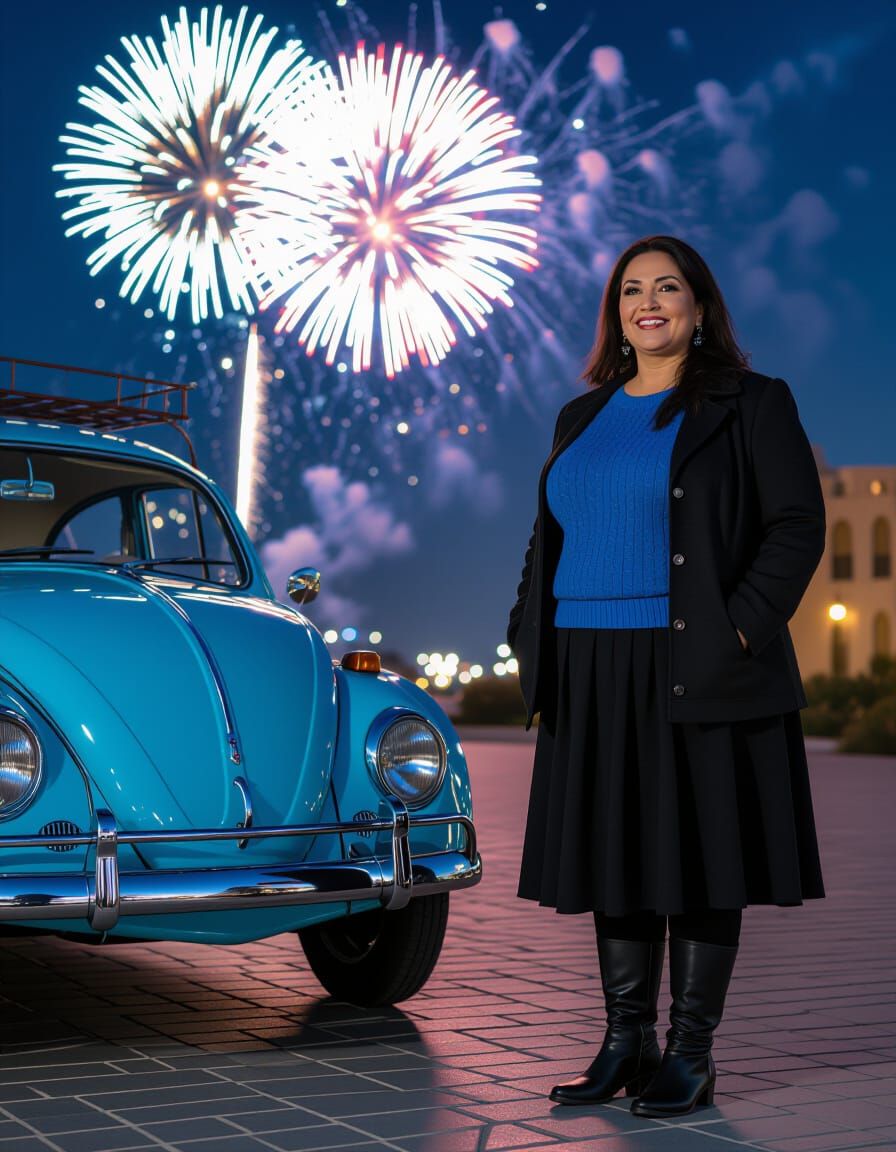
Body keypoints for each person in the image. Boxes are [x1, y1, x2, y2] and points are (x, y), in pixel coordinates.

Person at [506, 235, 825, 1119]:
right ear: (616, 312)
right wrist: (527, 627)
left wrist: (739, 629)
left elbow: (796, 526)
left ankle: (690, 1052)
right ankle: (625, 1041)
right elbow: (551, 533)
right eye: (631, 291)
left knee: (699, 857)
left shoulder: (751, 403)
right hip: (591, 667)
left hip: (698, 661)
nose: (648, 303)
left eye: (668, 288)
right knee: (619, 855)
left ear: (699, 306)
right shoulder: (582, 416)